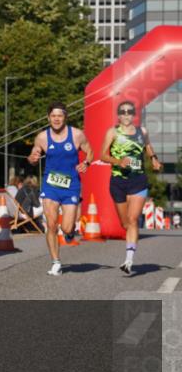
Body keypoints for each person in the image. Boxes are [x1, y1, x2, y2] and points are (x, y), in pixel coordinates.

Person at [28, 102, 93, 276]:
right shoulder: (42, 137)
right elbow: (34, 154)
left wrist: (86, 163)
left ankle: (70, 233)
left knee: (66, 227)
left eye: (60, 116)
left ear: (65, 117)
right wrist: (33, 158)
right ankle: (56, 262)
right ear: (48, 118)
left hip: (71, 186)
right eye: (53, 116)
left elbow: (90, 151)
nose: (56, 119)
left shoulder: (77, 135)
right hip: (50, 186)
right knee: (51, 224)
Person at [99, 100, 162, 275]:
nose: (126, 115)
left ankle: (128, 261)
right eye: (123, 112)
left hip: (138, 180)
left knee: (133, 220)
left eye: (129, 112)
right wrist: (119, 161)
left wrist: (154, 159)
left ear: (133, 115)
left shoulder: (142, 131)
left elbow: (147, 146)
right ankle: (130, 243)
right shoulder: (112, 132)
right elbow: (102, 155)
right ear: (118, 115)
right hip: (118, 181)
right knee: (125, 222)